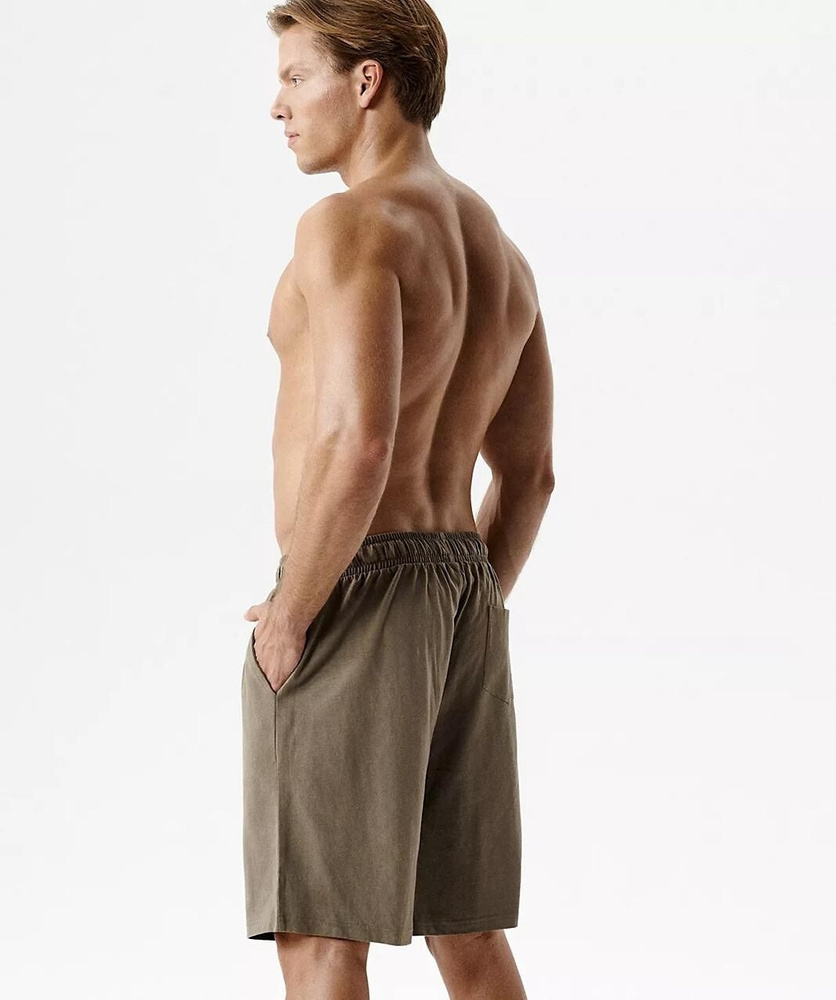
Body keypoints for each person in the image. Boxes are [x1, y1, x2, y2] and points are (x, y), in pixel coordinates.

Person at [240, 2, 555, 996]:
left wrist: (292, 614)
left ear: (366, 80)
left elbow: (360, 442)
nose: (278, 105)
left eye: (297, 77)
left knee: (320, 930)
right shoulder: (496, 250)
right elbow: (531, 474)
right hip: (463, 584)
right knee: (465, 931)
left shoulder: (349, 223)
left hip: (354, 585)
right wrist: (465, 608)